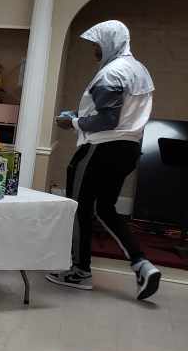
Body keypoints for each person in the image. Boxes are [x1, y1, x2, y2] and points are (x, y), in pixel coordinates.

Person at [47, 20, 162, 301]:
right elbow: (117, 114)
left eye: (97, 43)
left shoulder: (111, 73)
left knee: (79, 209)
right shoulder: (139, 70)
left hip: (98, 149)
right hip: (129, 148)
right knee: (106, 208)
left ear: (110, 42)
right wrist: (78, 115)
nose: (94, 48)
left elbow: (107, 119)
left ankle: (79, 271)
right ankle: (141, 264)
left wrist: (73, 122)